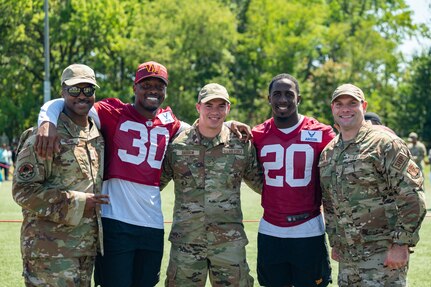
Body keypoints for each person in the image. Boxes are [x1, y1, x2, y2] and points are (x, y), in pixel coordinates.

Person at [36, 61, 251, 287]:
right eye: (146, 84)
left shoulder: (170, 122)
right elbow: (64, 103)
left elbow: (205, 127)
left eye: (159, 86)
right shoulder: (113, 112)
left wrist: (229, 123)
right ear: (134, 88)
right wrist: (47, 121)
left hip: (152, 224)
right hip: (116, 221)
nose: (153, 90)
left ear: (165, 91)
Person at [319, 83, 426, 287]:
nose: (345, 109)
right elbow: (330, 202)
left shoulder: (385, 143)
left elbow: (412, 194)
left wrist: (401, 243)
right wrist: (336, 241)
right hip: (348, 258)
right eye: (339, 104)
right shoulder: (328, 153)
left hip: (384, 255)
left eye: (352, 103)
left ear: (364, 106)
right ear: (332, 109)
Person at [12, 64, 109, 286]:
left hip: (84, 250)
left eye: (88, 90)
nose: (82, 96)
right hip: (49, 253)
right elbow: (23, 191)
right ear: (63, 92)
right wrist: (77, 202)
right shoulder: (43, 136)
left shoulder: (96, 134)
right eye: (74, 90)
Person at [160, 83, 263, 286]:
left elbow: (262, 185)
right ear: (198, 107)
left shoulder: (241, 144)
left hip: (228, 244)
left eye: (220, 106)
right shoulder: (177, 145)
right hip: (187, 243)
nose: (214, 112)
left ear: (228, 109)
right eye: (209, 105)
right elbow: (154, 184)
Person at [252, 74, 335, 287]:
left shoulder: (321, 133)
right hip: (270, 230)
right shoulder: (257, 134)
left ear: (299, 99)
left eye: (289, 94)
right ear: (268, 99)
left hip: (308, 228)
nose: (282, 100)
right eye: (277, 94)